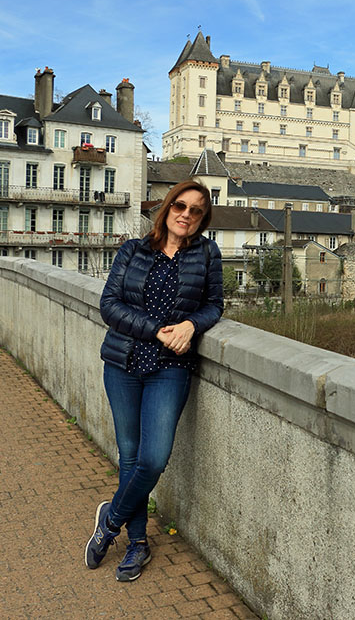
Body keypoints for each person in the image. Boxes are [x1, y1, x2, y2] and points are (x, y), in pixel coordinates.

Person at [86, 179, 223, 582]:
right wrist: (155, 329)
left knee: (153, 459)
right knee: (129, 456)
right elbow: (109, 305)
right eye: (181, 205)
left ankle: (110, 522)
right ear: (167, 208)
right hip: (123, 363)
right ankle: (138, 544)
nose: (187, 214)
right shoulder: (133, 249)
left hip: (171, 368)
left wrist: (190, 325)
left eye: (197, 210)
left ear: (203, 219)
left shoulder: (207, 253)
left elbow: (215, 304)